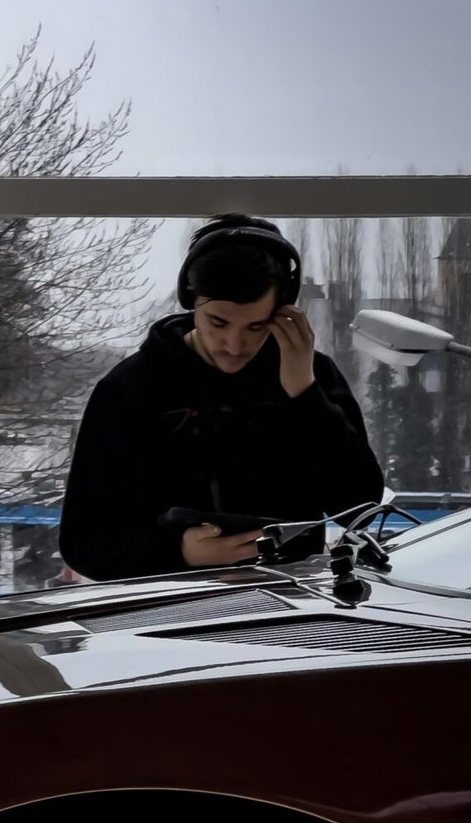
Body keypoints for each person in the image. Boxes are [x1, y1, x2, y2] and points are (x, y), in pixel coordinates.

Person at [59, 214, 384, 581]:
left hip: (292, 607)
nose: (234, 346)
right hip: (160, 609)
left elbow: (359, 507)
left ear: (283, 311)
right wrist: (177, 551)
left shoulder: (311, 375)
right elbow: (83, 543)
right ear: (190, 300)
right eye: (218, 323)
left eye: (255, 326)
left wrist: (304, 395)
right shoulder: (129, 390)